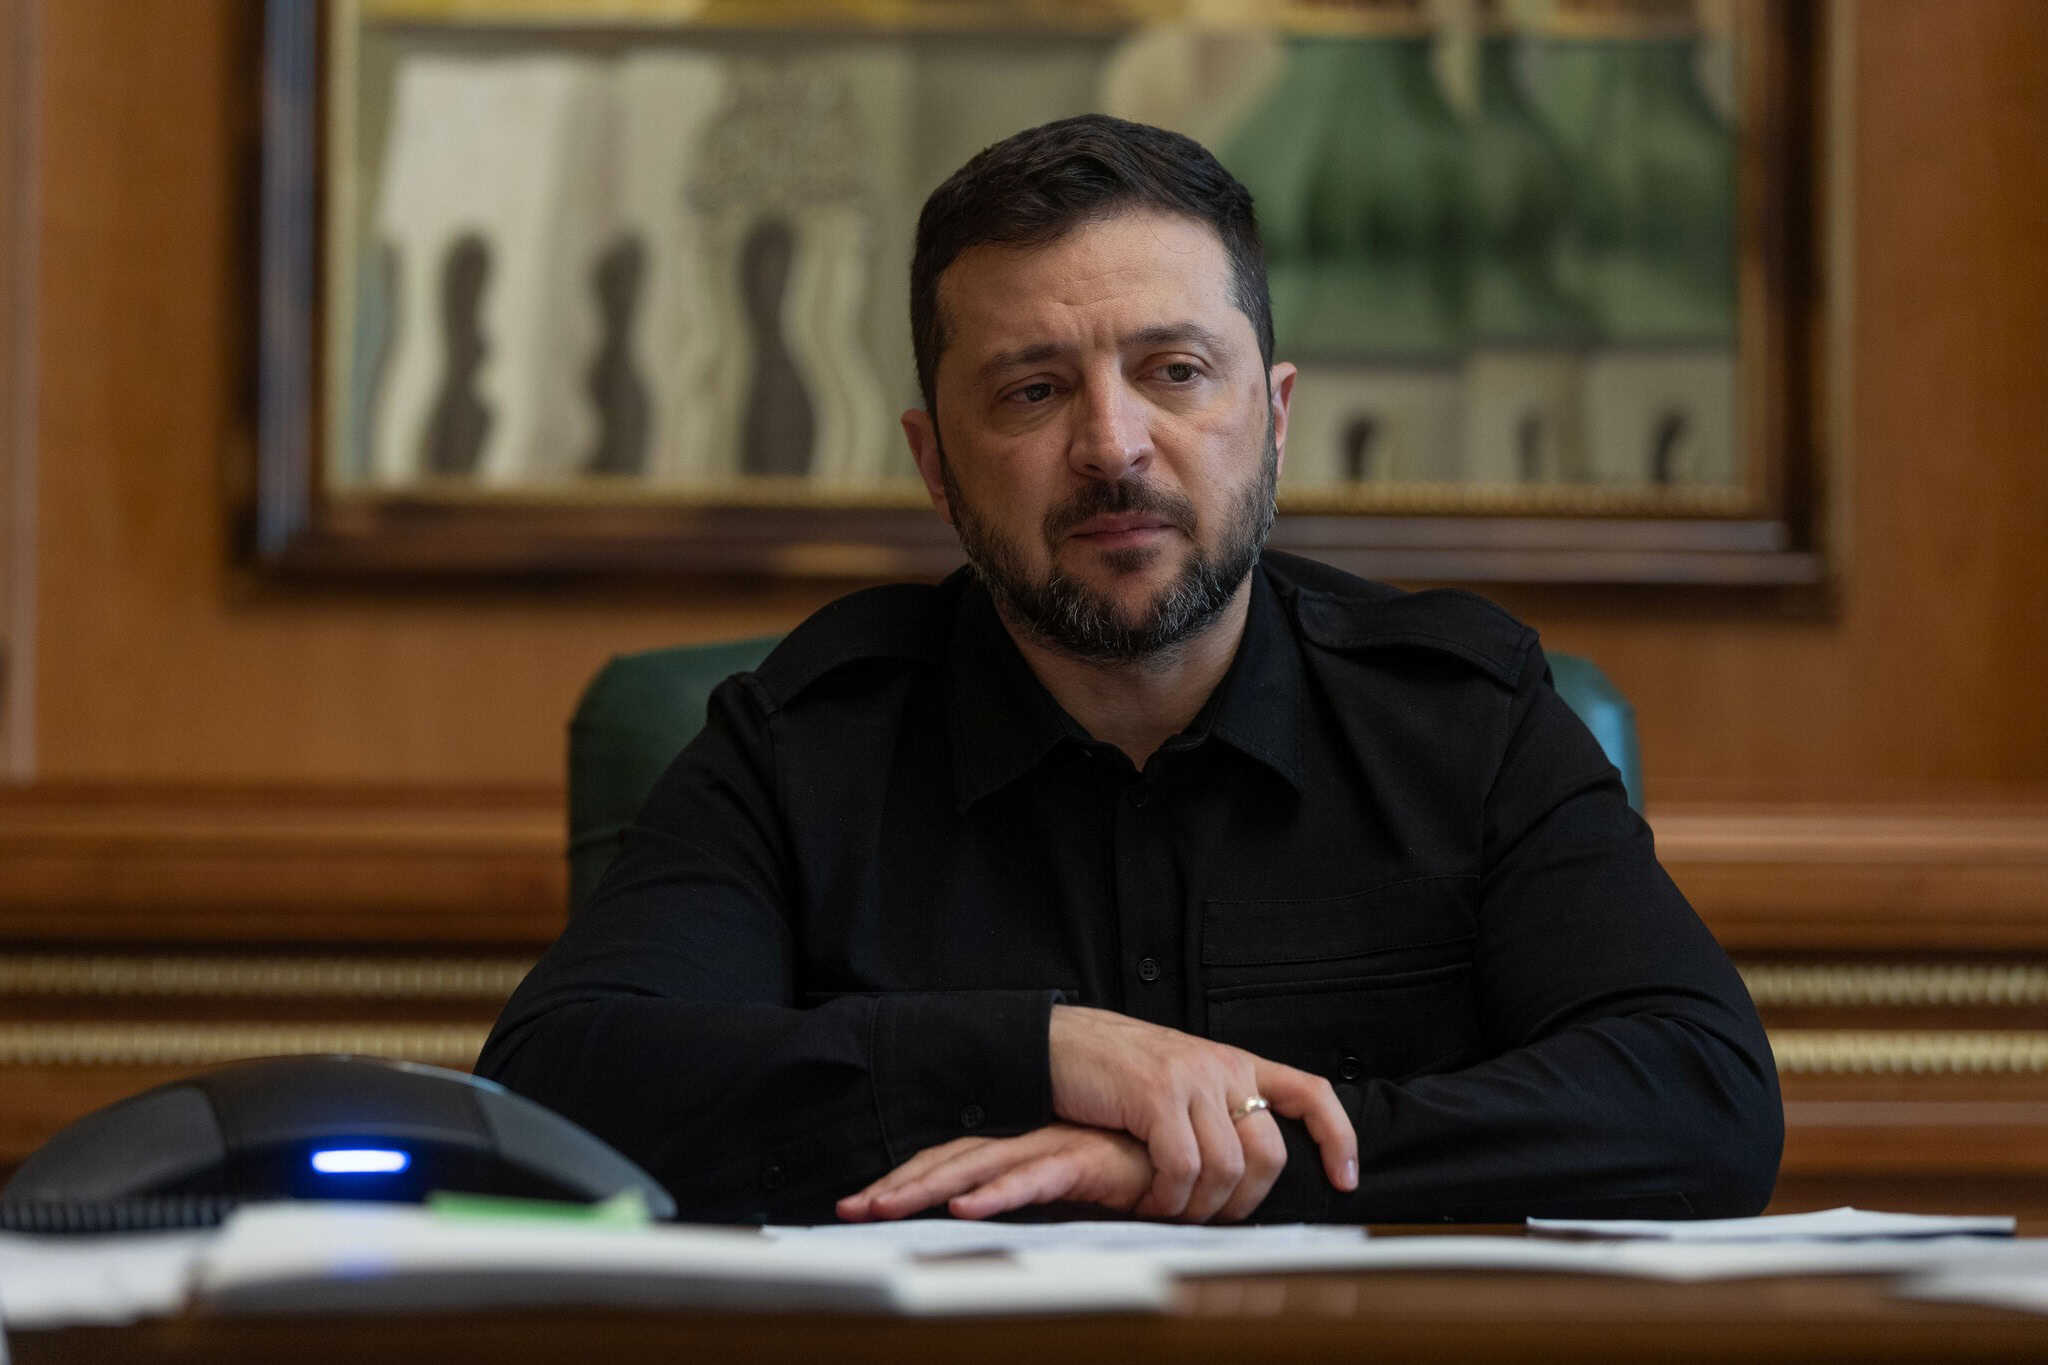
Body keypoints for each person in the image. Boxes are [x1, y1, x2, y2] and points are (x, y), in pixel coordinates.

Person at [478, 114, 1781, 1226]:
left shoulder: (1464, 718)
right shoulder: (804, 745)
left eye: (1175, 372)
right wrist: (1041, 1051)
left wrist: (1225, 1165)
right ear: (935, 465)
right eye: (1032, 391)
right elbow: (553, 1091)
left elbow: (1702, 1098)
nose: (1114, 446)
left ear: (1274, 418)